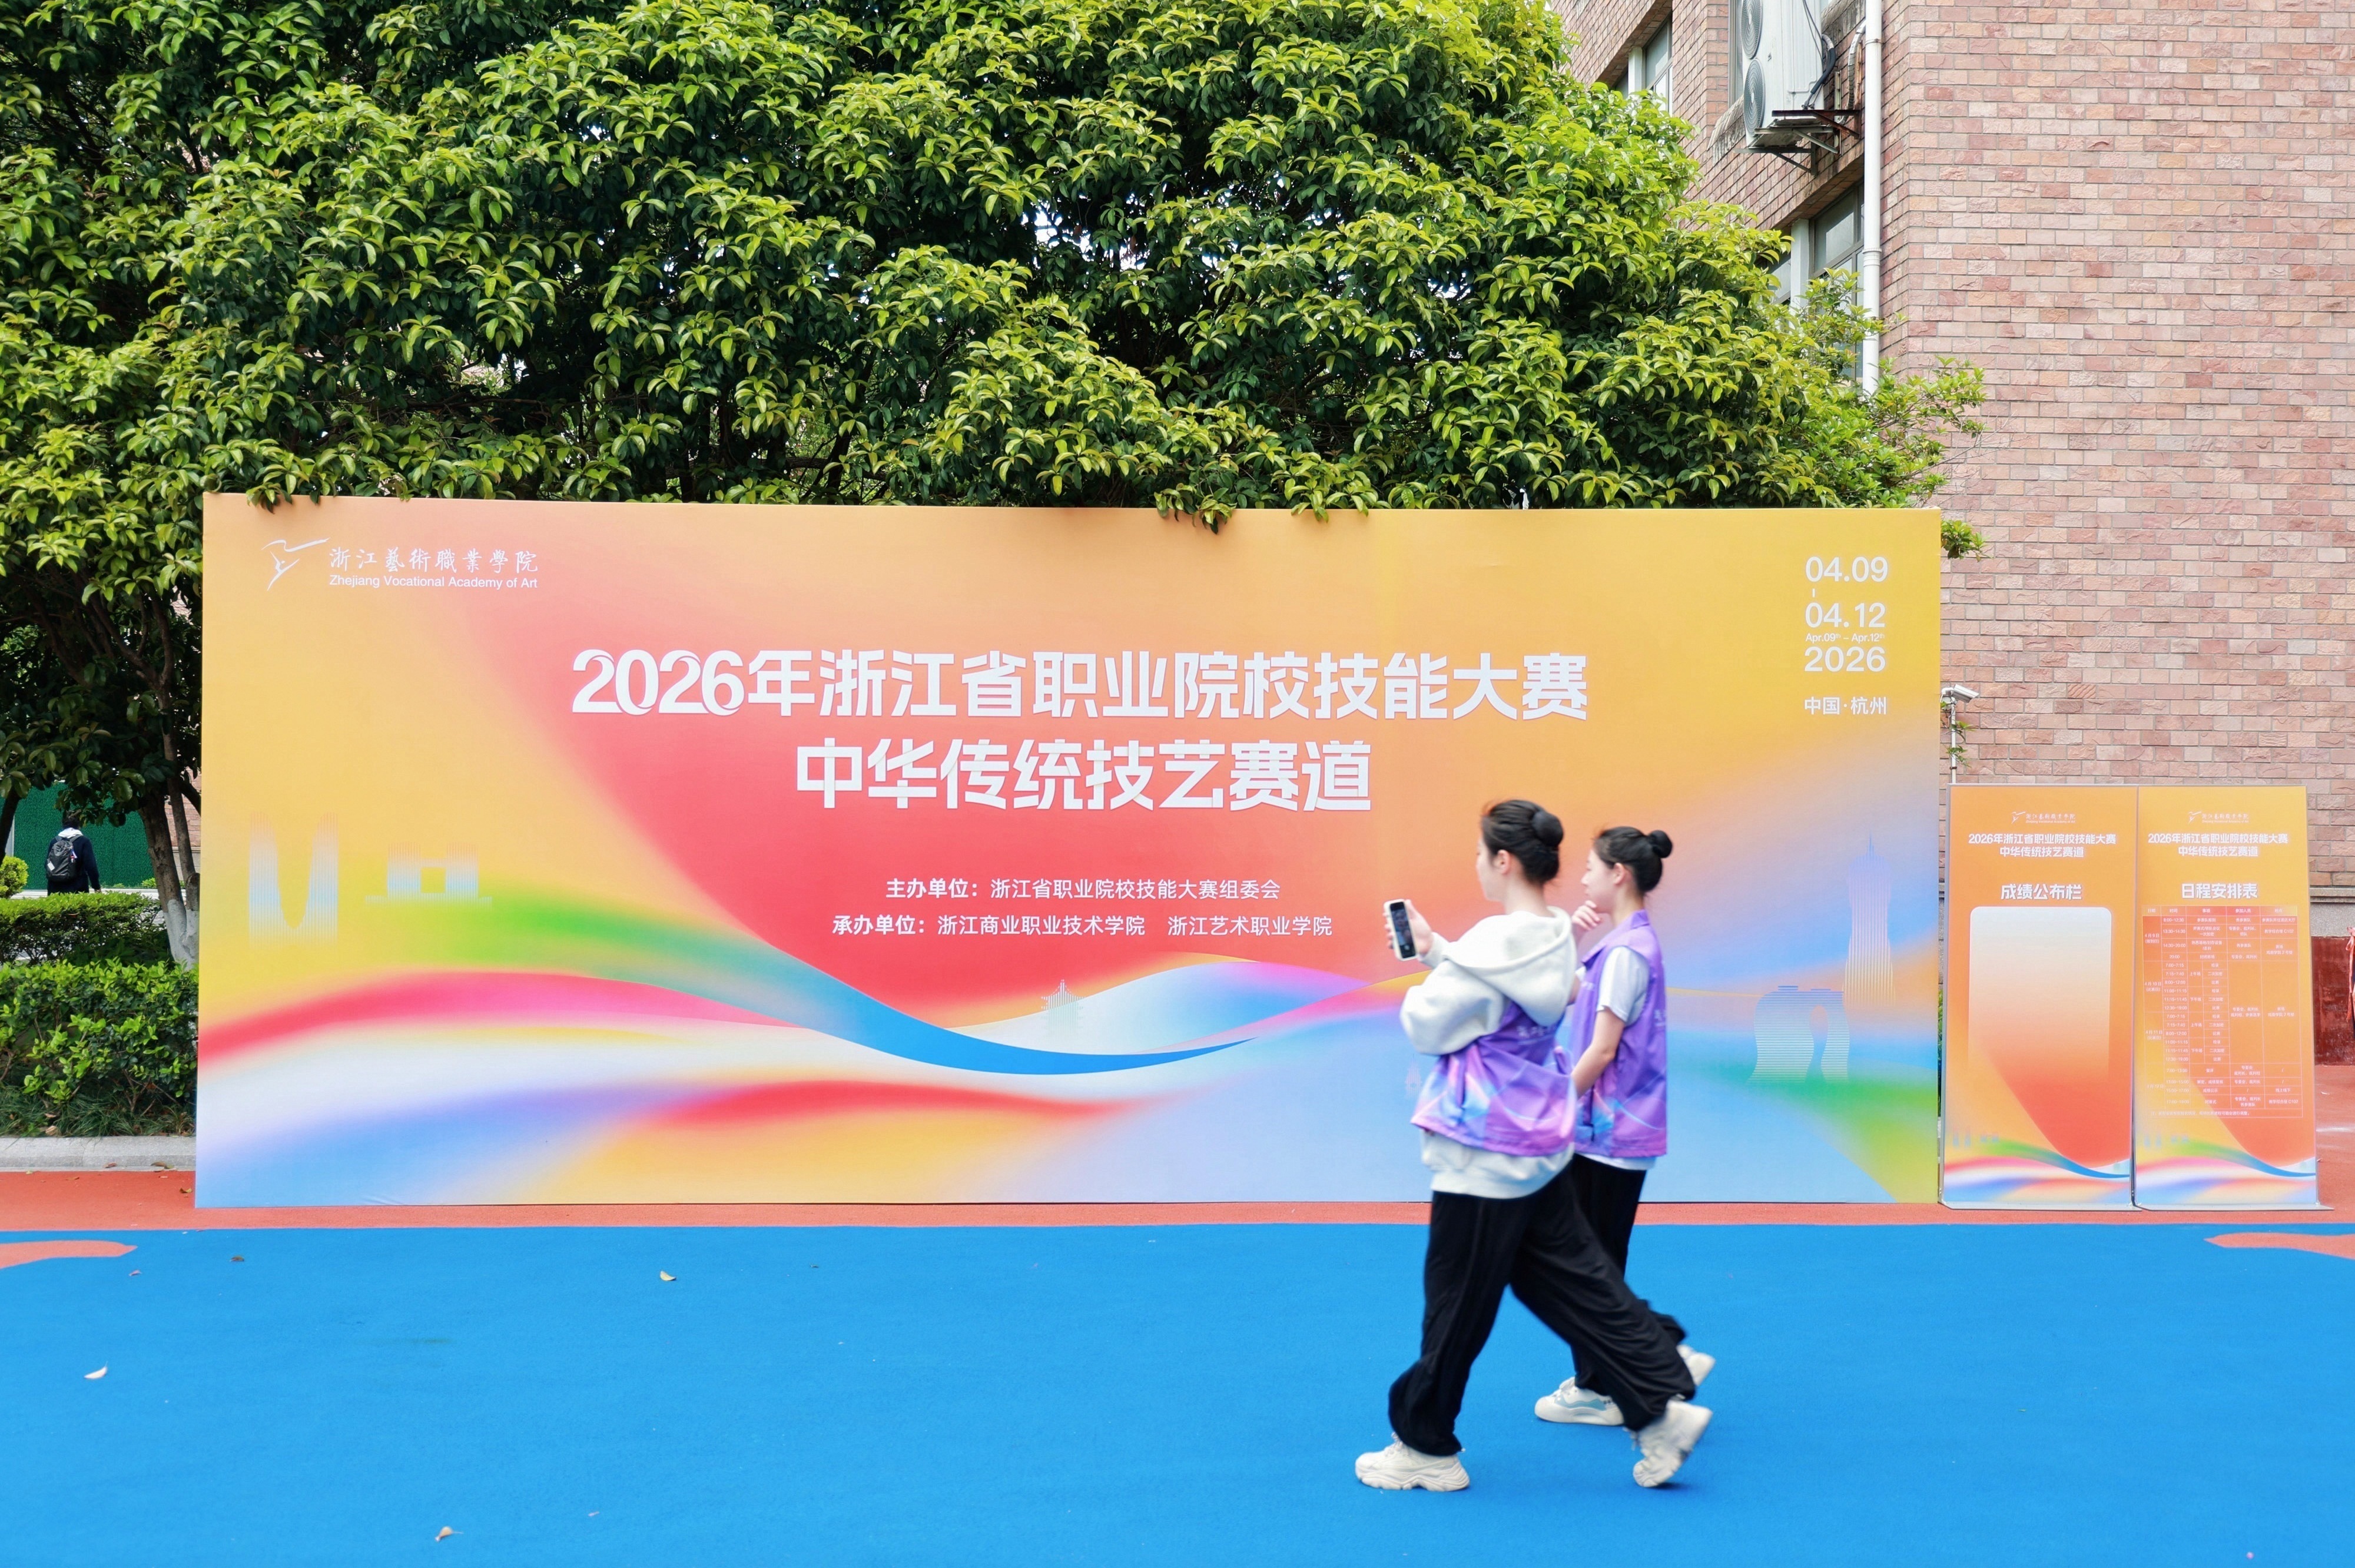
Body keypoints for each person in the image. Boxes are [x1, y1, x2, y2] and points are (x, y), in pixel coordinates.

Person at [1356, 801, 1710, 1494]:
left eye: (1479, 853)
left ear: (1503, 860)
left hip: (1482, 1144)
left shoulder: (1496, 941)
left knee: (1457, 1299)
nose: (1476, 864)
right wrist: (1437, 950)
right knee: (1572, 1278)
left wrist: (1436, 965)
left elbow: (1426, 1022)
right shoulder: (1554, 933)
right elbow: (1508, 983)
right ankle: (1658, 1402)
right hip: (1537, 1138)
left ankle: (1425, 1444)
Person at [1535, 827, 1714, 1427]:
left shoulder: (1626, 955)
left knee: (1588, 1264)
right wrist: (1571, 935)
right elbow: (1562, 995)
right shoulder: (1622, 946)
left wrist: (1555, 1105)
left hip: (1608, 1135)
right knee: (1592, 1261)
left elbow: (1603, 1049)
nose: (1583, 877)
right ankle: (1610, 1376)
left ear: (1619, 874)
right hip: (1608, 1133)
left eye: (1591, 867)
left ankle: (1635, 1368)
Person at [44, 810, 102, 894]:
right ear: (79, 825)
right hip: (77, 889)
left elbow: (47, 864)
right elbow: (91, 867)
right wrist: (96, 887)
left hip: (55, 889)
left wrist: (55, 872)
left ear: (63, 824)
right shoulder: (84, 841)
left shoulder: (54, 841)